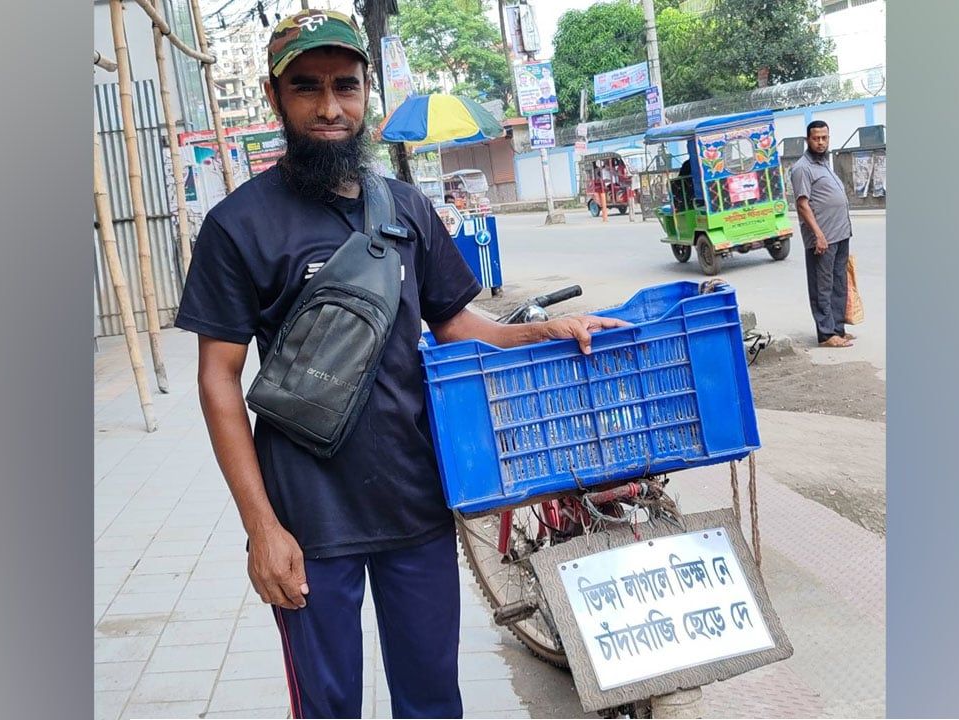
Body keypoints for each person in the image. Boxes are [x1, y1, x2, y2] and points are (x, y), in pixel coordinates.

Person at [172, 10, 626, 719]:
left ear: (366, 92)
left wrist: (547, 332)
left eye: (346, 87)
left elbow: (454, 325)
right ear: (274, 96)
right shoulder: (238, 225)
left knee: (433, 701)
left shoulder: (406, 208)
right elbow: (217, 380)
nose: (330, 107)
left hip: (415, 502)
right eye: (307, 88)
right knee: (327, 707)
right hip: (307, 518)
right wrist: (263, 528)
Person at [789, 120, 855, 348]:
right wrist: (818, 234)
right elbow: (802, 205)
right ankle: (826, 334)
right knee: (822, 286)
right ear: (807, 139)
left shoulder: (825, 163)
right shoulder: (802, 168)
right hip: (822, 238)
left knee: (839, 283)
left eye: (824, 138)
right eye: (816, 138)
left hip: (840, 234)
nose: (820, 142)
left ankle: (838, 329)